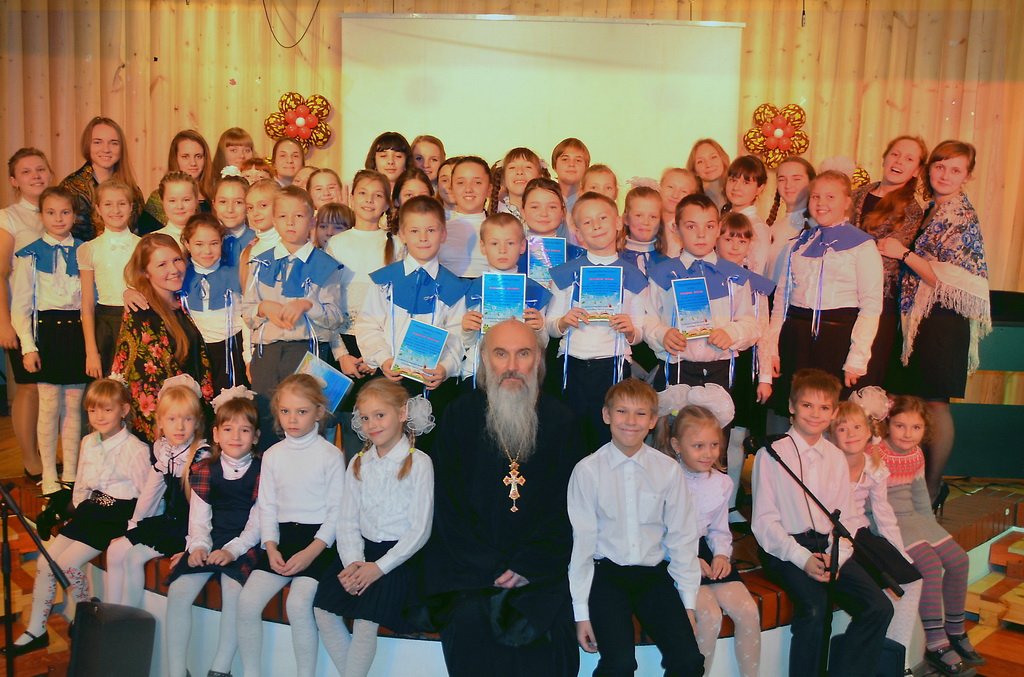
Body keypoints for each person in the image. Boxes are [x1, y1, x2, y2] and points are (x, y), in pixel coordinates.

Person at [424, 319, 584, 677]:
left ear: (538, 361)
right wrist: (491, 567)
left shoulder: (562, 422)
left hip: (540, 573)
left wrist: (528, 565)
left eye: (523, 354)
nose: (512, 366)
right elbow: (447, 507)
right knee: (472, 628)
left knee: (547, 642)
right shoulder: (459, 416)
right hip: (471, 572)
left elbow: (570, 511)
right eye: (501, 354)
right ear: (485, 360)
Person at [751, 368, 893, 677]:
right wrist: (802, 558)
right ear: (791, 406)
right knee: (815, 611)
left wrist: (836, 557)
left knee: (879, 608)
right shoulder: (772, 453)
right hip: (785, 548)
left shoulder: (835, 455)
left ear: (833, 412)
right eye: (807, 405)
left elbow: (847, 516)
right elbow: (764, 523)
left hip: (830, 546)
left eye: (824, 407)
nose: (815, 414)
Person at [0, 378, 149, 657]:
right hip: (91, 511)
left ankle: (86, 611)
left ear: (124, 410)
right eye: (93, 410)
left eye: (107, 409)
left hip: (116, 516)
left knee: (66, 565)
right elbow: (81, 486)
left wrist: (134, 529)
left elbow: (147, 495)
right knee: (45, 563)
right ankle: (37, 630)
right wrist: (76, 513)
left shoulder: (136, 449)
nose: (99, 416)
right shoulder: (88, 442)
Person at [569, 378, 704, 676]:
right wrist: (581, 613)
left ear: (653, 420)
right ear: (606, 415)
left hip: (652, 576)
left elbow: (682, 538)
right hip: (606, 577)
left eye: (641, 413)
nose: (631, 421)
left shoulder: (668, 470)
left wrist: (687, 603)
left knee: (689, 661)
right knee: (619, 665)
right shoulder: (587, 471)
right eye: (622, 411)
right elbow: (582, 544)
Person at [882, 140, 990, 502]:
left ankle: (931, 487)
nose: (945, 175)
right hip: (917, 318)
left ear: (967, 176)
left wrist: (903, 253)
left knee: (935, 404)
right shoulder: (931, 208)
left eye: (955, 170)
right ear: (929, 169)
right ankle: (904, 480)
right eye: (940, 167)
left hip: (943, 320)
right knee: (905, 399)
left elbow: (944, 277)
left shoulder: (961, 215)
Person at [314, 378, 435, 677]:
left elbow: (420, 529)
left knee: (365, 623)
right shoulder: (358, 462)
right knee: (323, 611)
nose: (372, 425)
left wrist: (378, 568)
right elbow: (347, 521)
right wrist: (354, 562)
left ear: (402, 413)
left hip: (397, 559)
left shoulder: (419, 463)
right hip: (359, 554)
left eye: (380, 415)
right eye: (366, 418)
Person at [236, 373, 344, 677]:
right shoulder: (272, 455)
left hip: (318, 544)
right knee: (247, 602)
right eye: (285, 411)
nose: (292, 419)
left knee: (298, 605)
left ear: (319, 413)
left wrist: (311, 552)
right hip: (281, 540)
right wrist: (270, 547)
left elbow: (336, 512)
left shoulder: (330, 455)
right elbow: (267, 506)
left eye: (301, 411)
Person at [878, 396, 983, 677]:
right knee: (931, 566)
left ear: (925, 430)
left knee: (959, 560)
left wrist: (932, 529)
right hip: (890, 523)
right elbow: (872, 503)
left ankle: (955, 630)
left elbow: (921, 498)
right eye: (900, 426)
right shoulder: (877, 453)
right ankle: (936, 643)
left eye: (916, 428)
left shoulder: (916, 454)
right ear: (888, 423)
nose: (907, 434)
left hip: (916, 519)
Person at [766, 170, 884, 411]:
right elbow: (781, 301)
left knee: (831, 412)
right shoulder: (798, 244)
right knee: (796, 409)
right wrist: (772, 348)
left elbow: (871, 307)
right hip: (796, 339)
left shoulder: (863, 246)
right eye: (815, 196)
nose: (821, 203)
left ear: (847, 202)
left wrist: (857, 358)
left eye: (830, 197)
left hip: (837, 340)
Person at [164, 387, 262, 677]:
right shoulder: (206, 469)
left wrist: (231, 551)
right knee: (179, 590)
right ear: (216, 434)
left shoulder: (263, 471)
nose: (236, 436)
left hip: (246, 543)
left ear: (256, 437)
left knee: (233, 590)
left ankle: (220, 668)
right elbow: (198, 519)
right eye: (228, 429)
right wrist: (198, 547)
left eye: (244, 430)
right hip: (211, 539)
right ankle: (176, 671)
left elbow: (258, 524)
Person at [241, 185, 344, 449]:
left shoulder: (325, 266)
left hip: (306, 353)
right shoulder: (260, 263)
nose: (290, 223)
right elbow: (247, 312)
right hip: (267, 354)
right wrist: (263, 308)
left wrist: (308, 305)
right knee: (267, 423)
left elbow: (335, 318)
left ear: (312, 221)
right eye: (283, 216)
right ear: (274, 221)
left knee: (305, 426)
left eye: (298, 216)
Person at [547, 192, 648, 450]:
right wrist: (563, 322)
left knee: (609, 439)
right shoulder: (564, 274)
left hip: (613, 366)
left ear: (618, 222)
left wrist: (630, 330)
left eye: (602, 218)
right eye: (587, 222)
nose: (596, 226)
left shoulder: (635, 276)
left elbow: (640, 332)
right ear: (578, 233)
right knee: (570, 438)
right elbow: (550, 326)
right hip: (572, 365)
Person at [667, 400, 761, 677]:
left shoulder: (722, 483)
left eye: (714, 445)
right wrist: (688, 559)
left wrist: (721, 554)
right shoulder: (666, 479)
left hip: (706, 551)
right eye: (698, 446)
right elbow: (658, 533)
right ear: (677, 445)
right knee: (708, 616)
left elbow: (719, 529)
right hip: (671, 554)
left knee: (748, 611)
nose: (708, 453)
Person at [832, 397, 924, 676]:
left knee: (912, 579)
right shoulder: (828, 464)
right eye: (842, 429)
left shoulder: (874, 466)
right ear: (832, 434)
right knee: (876, 597)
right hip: (833, 536)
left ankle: (897, 658)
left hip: (859, 534)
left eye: (857, 427)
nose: (851, 434)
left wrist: (899, 552)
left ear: (869, 431)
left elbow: (884, 515)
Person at [105, 376, 209, 607]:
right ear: (160, 422)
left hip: (189, 529)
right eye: (172, 419)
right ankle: (111, 613)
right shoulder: (164, 450)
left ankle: (128, 616)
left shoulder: (200, 456)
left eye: (187, 419)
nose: (179, 427)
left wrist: (192, 546)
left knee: (133, 558)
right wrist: (134, 526)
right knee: (114, 550)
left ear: (197, 422)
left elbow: (201, 511)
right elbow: (150, 494)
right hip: (169, 522)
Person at [12, 186, 88, 496]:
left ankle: (70, 473)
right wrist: (28, 347)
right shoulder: (30, 254)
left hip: (77, 332)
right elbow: (20, 306)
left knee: (73, 407)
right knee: (48, 407)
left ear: (74, 215)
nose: (59, 218)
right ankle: (49, 475)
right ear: (41, 216)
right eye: (51, 212)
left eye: (65, 212)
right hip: (46, 333)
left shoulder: (84, 251)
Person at [353, 195, 469, 394]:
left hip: (434, 383)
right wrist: (384, 359)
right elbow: (368, 326)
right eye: (414, 231)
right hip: (389, 378)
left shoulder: (454, 287)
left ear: (443, 234)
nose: (423, 238)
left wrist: (445, 368)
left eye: (431, 230)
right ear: (402, 234)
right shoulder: (384, 281)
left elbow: (457, 336)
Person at [645, 194, 759, 394]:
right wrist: (663, 335)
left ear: (719, 228)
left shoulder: (736, 276)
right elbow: (647, 319)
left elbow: (750, 324)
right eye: (691, 226)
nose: (701, 234)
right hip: (675, 369)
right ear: (676, 228)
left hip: (721, 372)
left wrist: (731, 333)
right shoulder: (662, 273)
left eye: (709, 226)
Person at [111, 233, 215, 443]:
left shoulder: (181, 301)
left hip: (190, 420)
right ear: (145, 272)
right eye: (162, 265)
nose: (174, 269)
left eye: (177, 260)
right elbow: (146, 386)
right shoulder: (142, 313)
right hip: (167, 432)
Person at [853, 136, 928, 387]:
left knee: (864, 377)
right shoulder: (856, 194)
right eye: (895, 154)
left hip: (879, 301)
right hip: (842, 297)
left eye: (909, 159)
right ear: (885, 158)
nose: (899, 161)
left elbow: (885, 253)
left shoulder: (912, 210)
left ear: (916, 170)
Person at [1, 147, 52, 480]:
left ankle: (50, 457)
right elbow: (0, 272)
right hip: (22, 317)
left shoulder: (58, 210)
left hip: (56, 316)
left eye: (40, 169)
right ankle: (31, 460)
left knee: (52, 389)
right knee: (29, 388)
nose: (36, 176)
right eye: (26, 171)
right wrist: (4, 322)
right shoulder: (9, 217)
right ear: (14, 181)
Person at [460, 214, 552, 384]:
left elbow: (543, 344)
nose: (502, 250)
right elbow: (466, 343)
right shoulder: (469, 290)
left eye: (510, 243)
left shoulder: (535, 292)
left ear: (522, 246)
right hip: (477, 371)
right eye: (494, 243)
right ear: (483, 247)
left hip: (518, 375)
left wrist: (540, 329)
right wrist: (467, 330)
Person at [79, 180, 141, 378]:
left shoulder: (143, 245)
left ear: (131, 207)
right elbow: (87, 304)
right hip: (105, 324)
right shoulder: (89, 249)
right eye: (108, 204)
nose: (115, 210)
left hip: (137, 320)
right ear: (98, 208)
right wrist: (91, 352)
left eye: (122, 203)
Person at [180, 213, 247, 391]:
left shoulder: (235, 274)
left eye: (214, 243)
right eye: (199, 244)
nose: (207, 251)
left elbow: (247, 312)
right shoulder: (181, 275)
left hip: (231, 348)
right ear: (187, 244)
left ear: (222, 242)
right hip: (197, 351)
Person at [60, 116, 144, 240]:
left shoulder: (132, 189)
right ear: (87, 145)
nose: (106, 149)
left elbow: (141, 233)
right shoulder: (70, 188)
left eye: (113, 143)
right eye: (98, 142)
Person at [138, 130, 214, 234]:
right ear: (175, 158)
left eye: (198, 156)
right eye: (185, 156)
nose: (193, 163)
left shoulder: (216, 196)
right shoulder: (157, 199)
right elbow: (146, 236)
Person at [765, 157, 816, 287]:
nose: (788, 185)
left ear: (811, 182)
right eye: (782, 179)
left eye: (796, 179)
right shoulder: (772, 227)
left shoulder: (816, 227)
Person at [441, 156, 492, 278]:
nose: (468, 189)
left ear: (489, 189)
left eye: (477, 182)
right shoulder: (438, 228)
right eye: (460, 183)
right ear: (452, 188)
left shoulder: (502, 229)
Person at [722, 155, 771, 276]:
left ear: (759, 188)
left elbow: (756, 274)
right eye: (733, 180)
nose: (736, 187)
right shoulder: (721, 220)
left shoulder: (758, 228)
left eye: (746, 182)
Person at [619, 183, 670, 275]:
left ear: (660, 221)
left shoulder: (668, 265)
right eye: (638, 215)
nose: (646, 222)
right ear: (626, 219)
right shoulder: (614, 262)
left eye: (653, 217)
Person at [494, 147, 545, 222]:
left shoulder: (549, 213)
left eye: (528, 167)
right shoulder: (495, 214)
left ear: (540, 176)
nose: (519, 171)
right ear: (503, 177)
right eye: (512, 167)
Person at [215, 173, 255, 267]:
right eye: (223, 202)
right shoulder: (206, 240)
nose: (230, 209)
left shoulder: (257, 241)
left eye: (238, 202)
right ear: (214, 204)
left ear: (248, 205)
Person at [151, 171, 201, 243]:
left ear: (196, 201)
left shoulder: (210, 236)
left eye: (186, 200)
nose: (179, 206)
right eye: (172, 201)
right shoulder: (153, 241)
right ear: (162, 202)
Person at [660, 167, 701, 246]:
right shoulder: (647, 220)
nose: (675, 195)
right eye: (670, 187)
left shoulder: (689, 231)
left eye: (683, 191)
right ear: (659, 187)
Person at [551, 137, 590, 219]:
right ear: (554, 165)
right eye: (565, 159)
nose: (571, 164)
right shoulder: (545, 198)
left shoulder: (591, 200)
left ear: (586, 168)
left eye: (578, 160)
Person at [687, 139, 730, 211]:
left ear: (723, 159)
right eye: (700, 161)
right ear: (694, 170)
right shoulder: (691, 201)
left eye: (713, 157)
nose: (708, 164)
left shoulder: (737, 192)